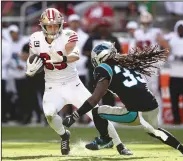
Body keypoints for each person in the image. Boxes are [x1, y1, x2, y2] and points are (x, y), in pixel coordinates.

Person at [25, 8, 131, 155]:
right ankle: (64, 135)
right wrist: (30, 68)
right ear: (43, 26)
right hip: (52, 86)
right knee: (49, 114)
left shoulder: (68, 35)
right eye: (50, 26)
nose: (53, 28)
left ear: (61, 24)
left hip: (73, 84)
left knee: (96, 113)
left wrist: (62, 58)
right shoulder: (35, 39)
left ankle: (120, 145)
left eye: (56, 25)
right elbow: (33, 58)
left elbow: (74, 55)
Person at [63, 41, 183, 157]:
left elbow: (94, 99)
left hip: (135, 113)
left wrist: (75, 116)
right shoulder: (126, 64)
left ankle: (105, 140)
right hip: (153, 106)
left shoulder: (103, 68)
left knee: (97, 112)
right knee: (155, 131)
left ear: (101, 57)